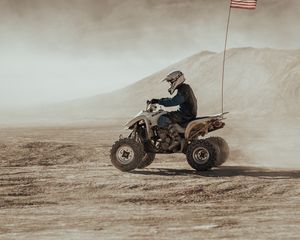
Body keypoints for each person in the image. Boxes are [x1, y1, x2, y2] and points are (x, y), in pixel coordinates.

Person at [149, 71, 198, 149]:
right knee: (166, 115)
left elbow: (174, 101)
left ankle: (176, 139)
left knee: (162, 118)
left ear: (177, 79)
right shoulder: (184, 88)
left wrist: (159, 101)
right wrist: (159, 100)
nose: (170, 84)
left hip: (185, 115)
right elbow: (173, 99)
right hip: (186, 114)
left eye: (171, 81)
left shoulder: (184, 89)